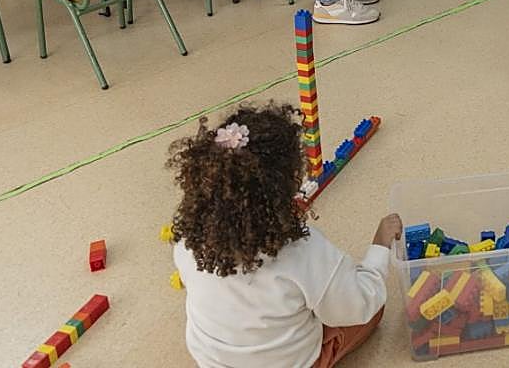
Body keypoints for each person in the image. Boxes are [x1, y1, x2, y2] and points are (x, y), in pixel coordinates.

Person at [168, 103, 401, 368]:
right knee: (373, 308)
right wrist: (379, 246)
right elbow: (360, 303)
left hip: (213, 361)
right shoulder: (302, 251)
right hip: (292, 362)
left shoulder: (188, 240)